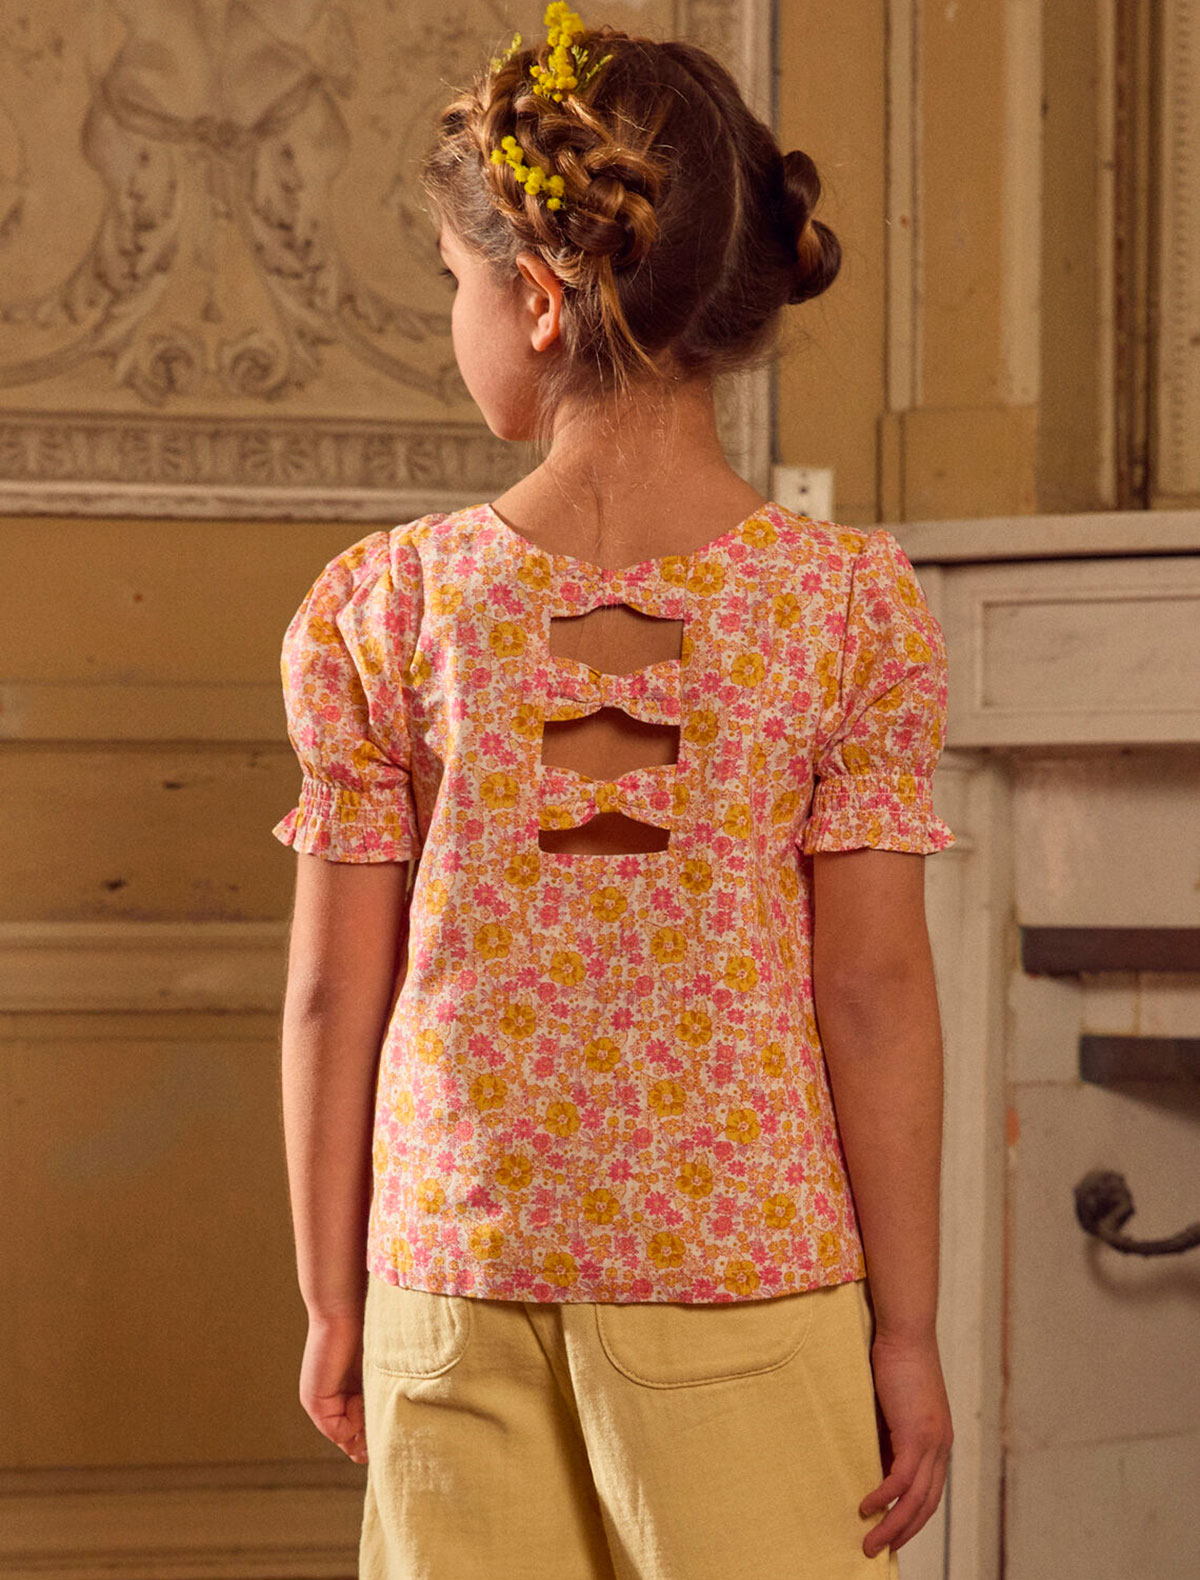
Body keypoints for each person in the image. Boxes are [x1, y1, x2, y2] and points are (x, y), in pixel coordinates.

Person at [272, 7, 956, 1577]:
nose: (455, 318)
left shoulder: (386, 608)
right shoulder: (844, 610)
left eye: (454, 283)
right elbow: (872, 993)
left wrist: (332, 1294)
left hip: (455, 1264)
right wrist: (906, 1330)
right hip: (752, 1269)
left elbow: (328, 994)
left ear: (534, 296)